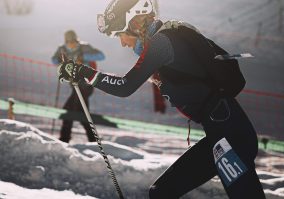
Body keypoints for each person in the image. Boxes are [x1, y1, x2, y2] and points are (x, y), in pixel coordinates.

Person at [57, 0, 266, 198]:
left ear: (133, 22)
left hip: (231, 137)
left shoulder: (161, 43)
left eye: (120, 34)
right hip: (218, 137)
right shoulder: (163, 39)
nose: (121, 43)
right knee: (160, 192)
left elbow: (125, 86)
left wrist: (83, 72)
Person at [52, 30, 105, 143]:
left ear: (77, 40)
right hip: (74, 85)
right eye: (69, 42)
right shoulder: (62, 49)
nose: (71, 44)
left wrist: (84, 57)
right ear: (65, 41)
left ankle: (64, 138)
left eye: (73, 41)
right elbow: (54, 59)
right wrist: (60, 61)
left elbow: (101, 56)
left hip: (87, 85)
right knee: (81, 112)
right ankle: (93, 140)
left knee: (69, 109)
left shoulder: (84, 47)